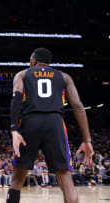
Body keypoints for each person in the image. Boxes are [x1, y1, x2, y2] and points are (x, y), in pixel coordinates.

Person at [7, 48, 95, 203]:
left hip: (30, 122)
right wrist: (87, 140)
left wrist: (14, 130)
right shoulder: (64, 77)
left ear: (33, 61)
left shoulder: (23, 74)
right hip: (55, 123)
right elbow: (78, 106)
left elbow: (16, 100)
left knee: (17, 179)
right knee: (65, 177)